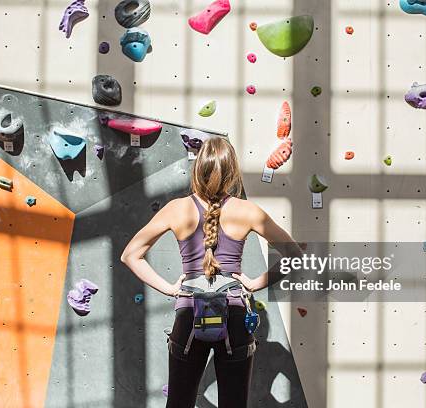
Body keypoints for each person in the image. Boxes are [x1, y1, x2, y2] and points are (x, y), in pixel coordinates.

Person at [120, 136, 299, 408]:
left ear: (197, 169)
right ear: (232, 172)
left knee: (178, 403)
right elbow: (295, 257)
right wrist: (254, 284)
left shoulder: (176, 209)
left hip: (189, 315)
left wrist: (170, 288)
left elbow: (130, 255)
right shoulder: (248, 211)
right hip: (236, 319)